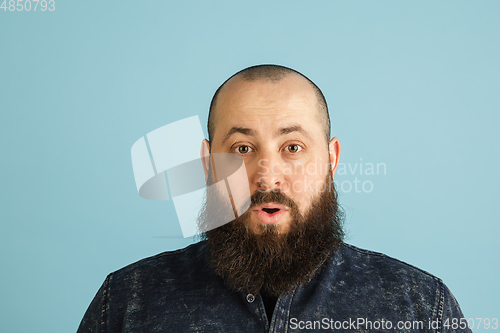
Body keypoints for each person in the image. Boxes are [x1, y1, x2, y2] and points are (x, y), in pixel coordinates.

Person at [78, 65, 470, 332]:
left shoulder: (419, 307)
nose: (267, 176)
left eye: (293, 147)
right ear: (207, 162)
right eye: (242, 149)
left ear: (330, 160)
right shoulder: (128, 303)